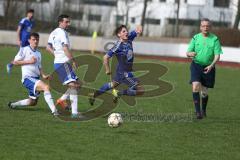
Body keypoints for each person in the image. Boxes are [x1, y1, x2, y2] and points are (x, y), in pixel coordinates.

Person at [89, 25, 144, 105]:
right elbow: (105, 57)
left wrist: (139, 29)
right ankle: (118, 93)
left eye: (126, 31)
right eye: (124, 31)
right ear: (119, 35)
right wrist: (107, 69)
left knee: (112, 84)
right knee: (140, 90)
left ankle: (94, 95)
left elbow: (137, 30)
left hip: (121, 71)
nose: (126, 32)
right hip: (124, 73)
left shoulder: (129, 38)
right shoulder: (118, 46)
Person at [8, 32, 58, 116]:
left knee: (32, 102)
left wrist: (43, 75)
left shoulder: (38, 53)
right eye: (33, 39)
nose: (35, 41)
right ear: (29, 40)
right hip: (27, 78)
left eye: (37, 40)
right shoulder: (24, 49)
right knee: (46, 87)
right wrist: (29, 61)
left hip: (36, 78)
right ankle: (55, 111)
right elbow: (14, 62)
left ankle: (13, 104)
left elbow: (39, 66)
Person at [186, 18, 223, 119]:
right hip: (196, 65)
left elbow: (217, 55)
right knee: (195, 86)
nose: (205, 28)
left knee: (204, 92)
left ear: (210, 27)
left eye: (207, 26)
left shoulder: (215, 39)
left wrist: (211, 65)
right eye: (203, 26)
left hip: (209, 67)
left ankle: (203, 110)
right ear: (200, 27)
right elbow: (187, 52)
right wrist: (190, 54)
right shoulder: (195, 38)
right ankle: (198, 112)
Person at [46, 14, 81, 118]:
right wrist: (73, 60)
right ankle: (74, 113)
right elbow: (65, 48)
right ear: (60, 22)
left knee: (78, 84)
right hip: (63, 63)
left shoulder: (53, 32)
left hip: (59, 62)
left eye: (69, 22)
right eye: (66, 22)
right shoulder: (62, 33)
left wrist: (56, 55)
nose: (68, 24)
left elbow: (48, 47)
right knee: (73, 86)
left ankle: (62, 99)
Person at [7, 9, 35, 74]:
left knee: (29, 55)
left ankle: (29, 70)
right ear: (27, 13)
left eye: (32, 13)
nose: (31, 14)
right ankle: (10, 65)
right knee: (20, 56)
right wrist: (18, 40)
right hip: (23, 41)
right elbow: (18, 30)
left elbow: (29, 31)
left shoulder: (32, 22)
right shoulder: (24, 20)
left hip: (28, 42)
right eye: (30, 13)